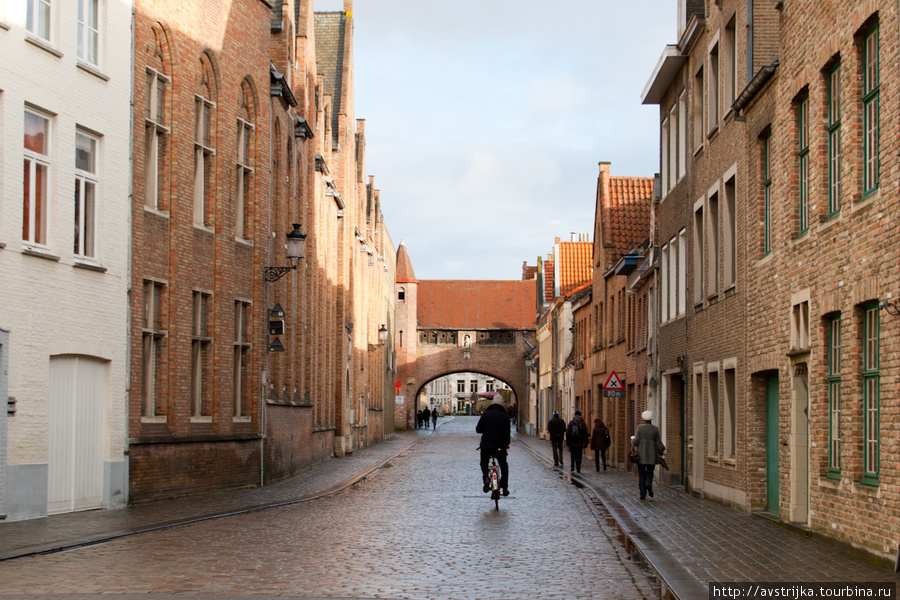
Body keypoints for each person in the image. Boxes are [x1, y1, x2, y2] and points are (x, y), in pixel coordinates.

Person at [476, 398, 511, 495]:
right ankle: (504, 487)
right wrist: (507, 443)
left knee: (484, 462)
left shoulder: (486, 415)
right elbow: (508, 432)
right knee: (504, 465)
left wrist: (486, 430)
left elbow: (478, 429)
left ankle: (486, 478)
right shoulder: (504, 416)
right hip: (500, 445)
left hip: (486, 445)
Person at [632, 410, 665, 500]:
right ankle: (649, 484)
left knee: (642, 474)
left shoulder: (640, 428)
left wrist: (633, 439)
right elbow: (658, 442)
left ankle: (642, 494)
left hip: (641, 455)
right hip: (652, 455)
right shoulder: (655, 429)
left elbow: (636, 441)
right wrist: (662, 450)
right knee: (650, 472)